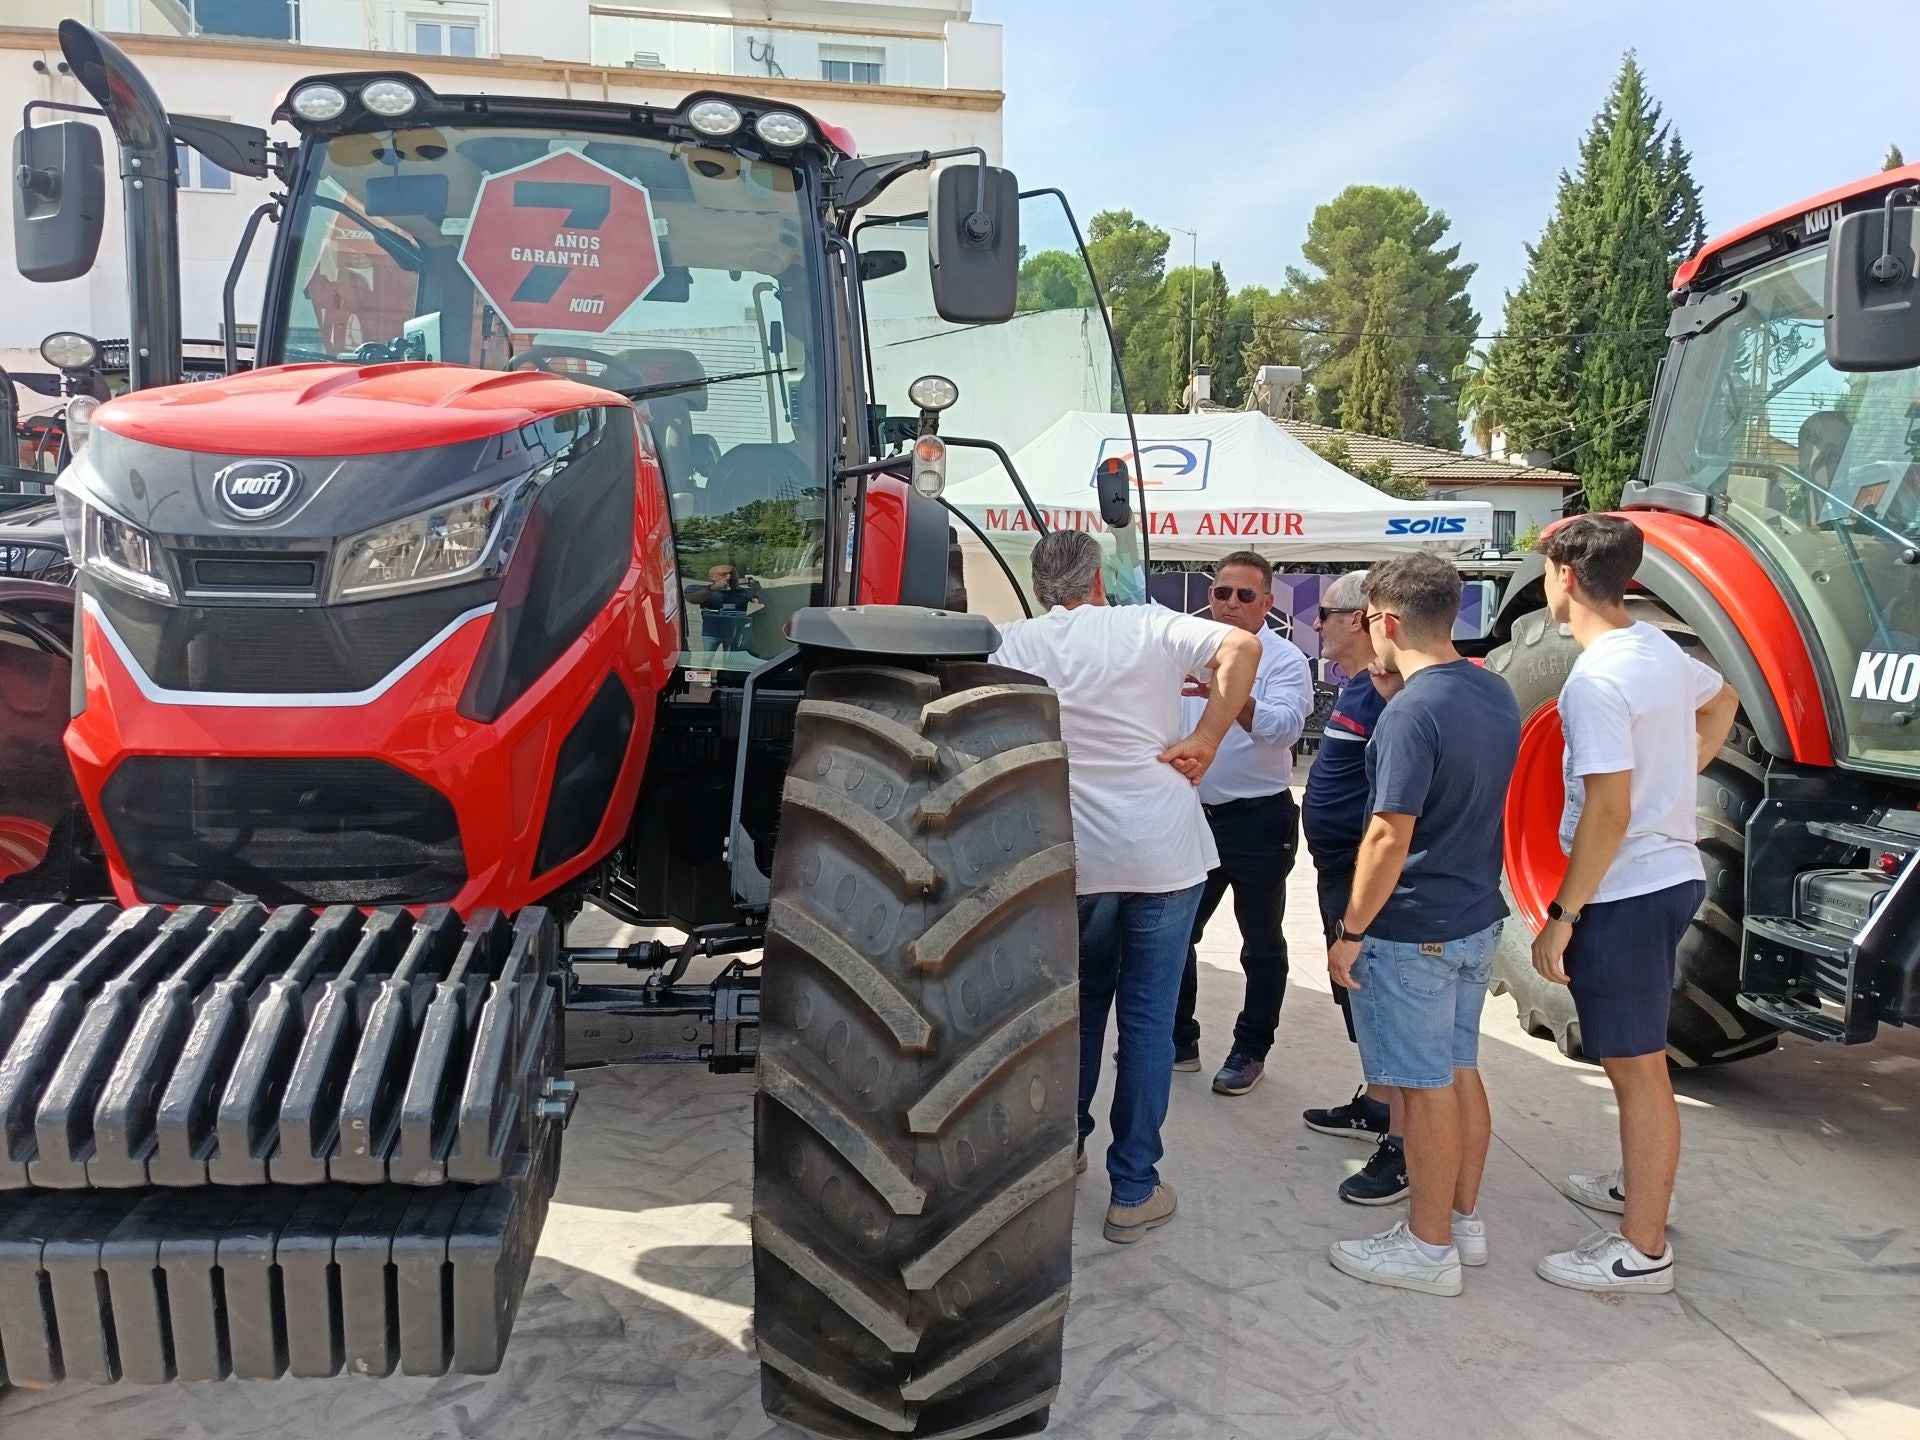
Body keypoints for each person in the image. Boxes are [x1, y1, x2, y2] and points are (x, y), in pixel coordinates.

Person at [992, 529, 1261, 1245]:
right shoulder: (1146, 623)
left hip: (1073, 849)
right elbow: (1241, 648)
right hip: (1162, 853)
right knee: (1147, 1023)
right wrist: (1205, 736)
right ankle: (1134, 1190)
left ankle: (1067, 1148)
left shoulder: (1016, 641)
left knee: (1079, 1009)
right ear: (1100, 580)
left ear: (1040, 582)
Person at [1528, 516, 1739, 1294]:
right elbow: (1721, 707)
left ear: (1565, 577)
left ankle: (1642, 1249)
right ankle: (1641, 1189)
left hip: (1627, 889)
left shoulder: (1594, 680)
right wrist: (1672, 778)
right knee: (1636, 1064)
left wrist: (1563, 914)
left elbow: (1609, 814)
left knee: (1637, 1070)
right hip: (1671, 875)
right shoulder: (1659, 650)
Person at [1324, 552, 1520, 1297]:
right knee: (1460, 1071)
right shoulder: (1490, 690)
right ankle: (1461, 1224)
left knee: (1426, 1088)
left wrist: (1350, 931)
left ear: (1390, 620)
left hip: (1414, 929)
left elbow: (1387, 835)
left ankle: (1427, 1247)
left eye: (1369, 617)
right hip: (1474, 916)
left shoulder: (1411, 712)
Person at [1171, 550, 1314, 1096]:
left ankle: (1250, 1050)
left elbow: (1280, 730)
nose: (1230, 605)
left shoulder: (1282, 659)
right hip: (1189, 813)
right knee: (1176, 933)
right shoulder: (1182, 648)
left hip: (1256, 818)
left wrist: (1231, 695)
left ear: (1267, 604)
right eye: (1221, 593)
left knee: (1260, 943)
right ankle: (1179, 1039)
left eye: (1244, 596)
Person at [1297, 570, 1408, 1206]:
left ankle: (1401, 1138)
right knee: (1357, 999)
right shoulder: (1358, 689)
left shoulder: (1392, 696)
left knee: (1379, 998)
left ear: (1365, 620)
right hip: (1338, 867)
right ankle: (1376, 1102)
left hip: (1364, 875)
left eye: (1329, 613)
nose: (1318, 624)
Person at [685, 563, 761, 659]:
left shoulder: (742, 592)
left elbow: (760, 600)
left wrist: (758, 590)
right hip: (711, 632)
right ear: (712, 577)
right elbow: (691, 598)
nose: (729, 577)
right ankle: (706, 674)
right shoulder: (705, 591)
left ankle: (724, 674)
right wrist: (712, 589)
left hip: (733, 633)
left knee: (730, 659)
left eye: (732, 574)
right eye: (724, 575)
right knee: (707, 659)